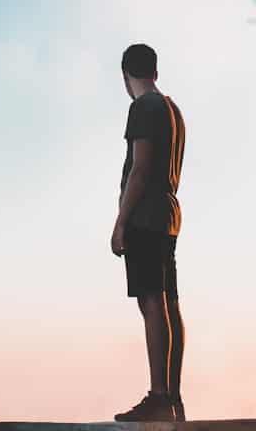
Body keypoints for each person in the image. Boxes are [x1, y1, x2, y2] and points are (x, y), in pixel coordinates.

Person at [111, 43, 187, 422]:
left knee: (151, 302)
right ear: (154, 70)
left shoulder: (143, 107)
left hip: (145, 217)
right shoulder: (173, 109)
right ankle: (172, 394)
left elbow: (139, 168)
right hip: (168, 214)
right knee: (169, 302)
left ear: (126, 75)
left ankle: (159, 395)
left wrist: (120, 222)